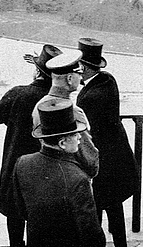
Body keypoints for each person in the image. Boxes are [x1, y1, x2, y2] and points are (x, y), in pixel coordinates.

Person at [11, 98, 108, 247]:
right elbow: (92, 236)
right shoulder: (77, 178)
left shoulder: (23, 163)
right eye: (76, 135)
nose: (80, 138)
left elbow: (21, 210)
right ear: (63, 143)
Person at [0, 44, 63, 247]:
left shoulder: (19, 94)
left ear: (37, 71)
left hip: (17, 160)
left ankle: (16, 244)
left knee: (15, 203)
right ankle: (38, 245)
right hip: (46, 162)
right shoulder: (58, 100)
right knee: (39, 205)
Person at [75, 38, 138, 247]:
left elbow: (84, 130)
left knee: (97, 206)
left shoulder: (90, 96)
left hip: (102, 158)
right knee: (113, 204)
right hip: (117, 154)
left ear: (83, 67)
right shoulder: (107, 81)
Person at [32, 50, 99, 179]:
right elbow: (90, 160)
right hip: (72, 178)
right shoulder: (73, 112)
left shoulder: (40, 105)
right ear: (69, 78)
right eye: (78, 73)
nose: (81, 78)